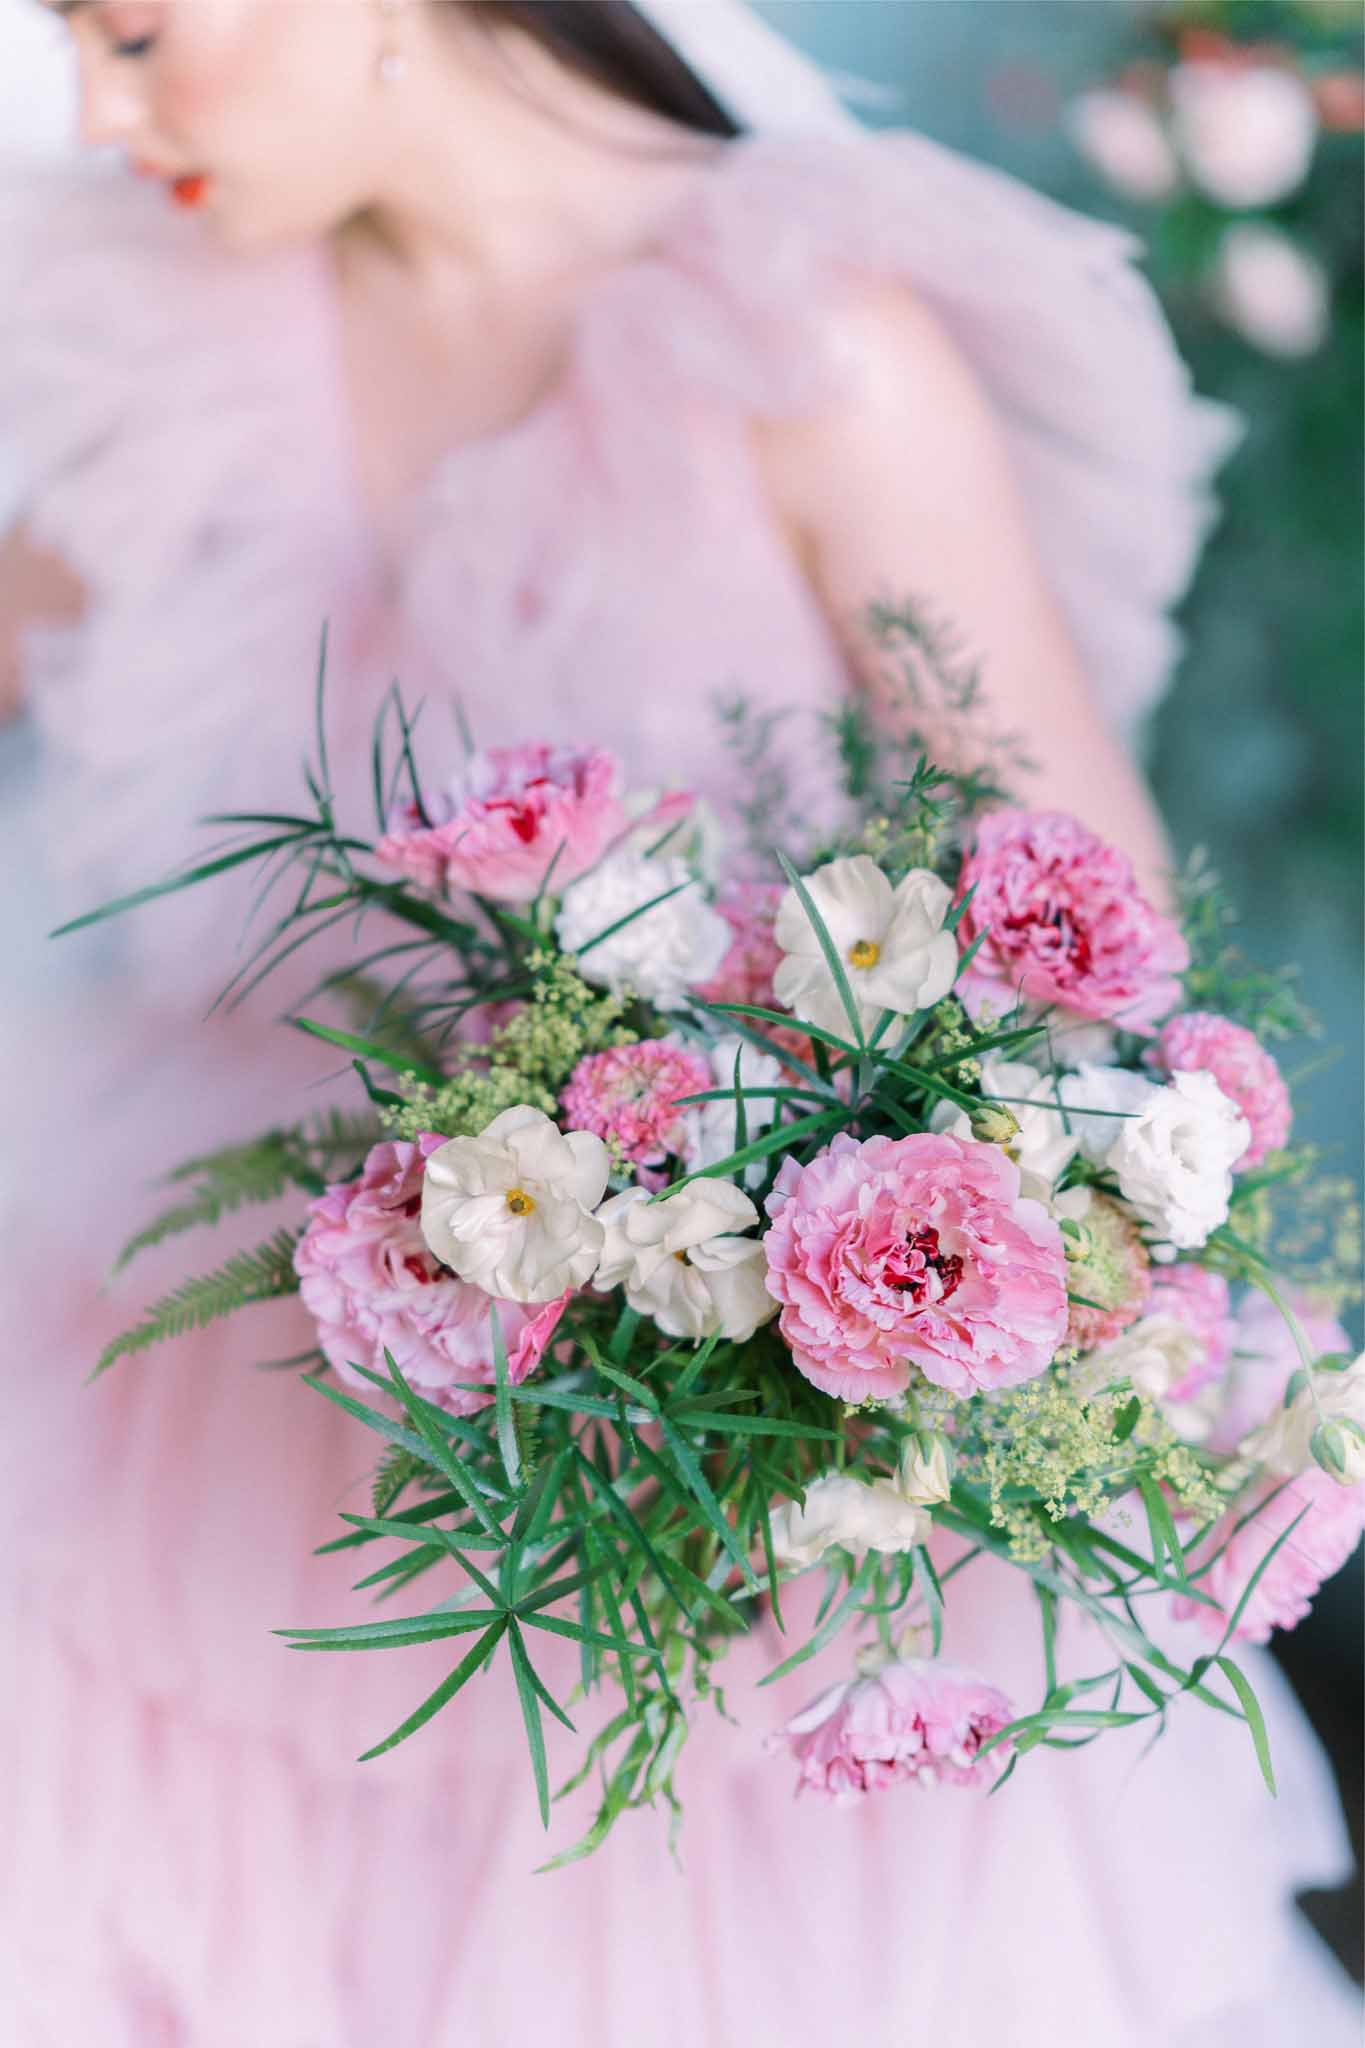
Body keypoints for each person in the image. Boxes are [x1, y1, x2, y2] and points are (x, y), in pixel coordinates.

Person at [0, 4, 1355, 2043]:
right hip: (201, 1358)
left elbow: (1095, 934)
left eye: (131, 34)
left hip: (692, 1458)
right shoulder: (135, 302)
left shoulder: (807, 340)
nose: (100, 111)